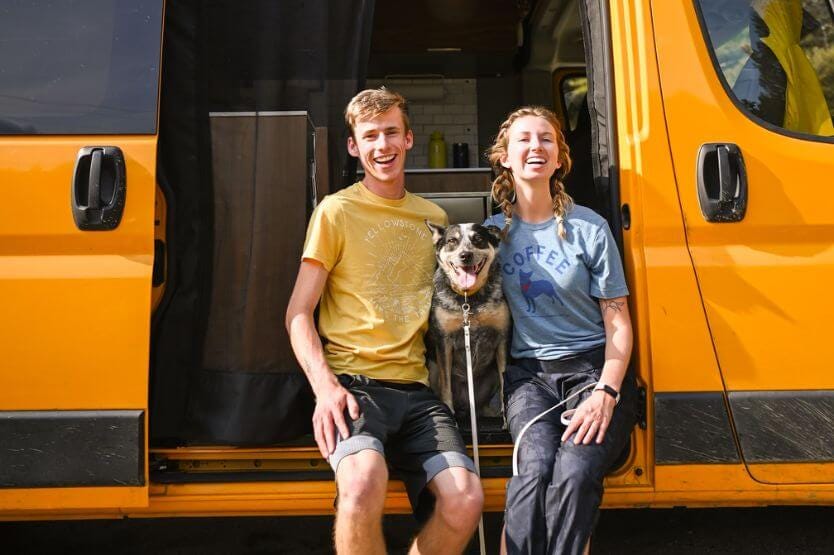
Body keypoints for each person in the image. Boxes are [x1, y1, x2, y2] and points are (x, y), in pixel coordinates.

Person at [285, 88, 484, 555]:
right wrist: (325, 387)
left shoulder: (433, 219)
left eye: (391, 132)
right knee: (360, 484)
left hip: (416, 391)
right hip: (355, 388)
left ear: (409, 138)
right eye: (370, 135)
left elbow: (450, 301)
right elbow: (297, 313)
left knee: (466, 500)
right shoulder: (335, 211)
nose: (382, 145)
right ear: (354, 146)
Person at [484, 106, 638, 555]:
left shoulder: (590, 228)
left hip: (593, 372)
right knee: (533, 472)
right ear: (505, 158)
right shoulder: (491, 236)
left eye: (546, 139)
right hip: (529, 377)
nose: (536, 147)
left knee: (573, 473)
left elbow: (618, 322)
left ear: (559, 158)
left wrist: (606, 393)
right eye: (524, 140)